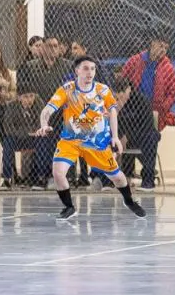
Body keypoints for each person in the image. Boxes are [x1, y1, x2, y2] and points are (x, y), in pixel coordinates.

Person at [36, 56, 146, 220]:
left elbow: (113, 111)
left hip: (97, 142)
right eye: (86, 68)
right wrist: (44, 124)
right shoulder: (67, 90)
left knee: (117, 177)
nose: (90, 72)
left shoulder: (103, 90)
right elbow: (47, 110)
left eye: (93, 69)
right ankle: (69, 207)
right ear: (77, 71)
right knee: (58, 172)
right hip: (70, 141)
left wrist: (115, 137)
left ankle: (129, 201)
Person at [117, 34, 175, 192]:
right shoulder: (135, 61)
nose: (162, 50)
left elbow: (173, 92)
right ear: (152, 44)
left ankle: (148, 176)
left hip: (153, 112)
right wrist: (124, 99)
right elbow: (123, 80)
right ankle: (127, 175)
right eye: (160, 46)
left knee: (150, 137)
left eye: (166, 48)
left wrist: (163, 107)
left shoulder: (168, 67)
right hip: (131, 106)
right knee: (127, 134)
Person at [0, 87, 50, 189]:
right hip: (18, 138)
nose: (29, 100)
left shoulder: (39, 105)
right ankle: (7, 179)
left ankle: (41, 178)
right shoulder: (12, 106)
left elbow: (42, 123)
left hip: (34, 138)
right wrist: (26, 133)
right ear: (19, 98)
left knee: (42, 142)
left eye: (31, 96)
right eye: (26, 97)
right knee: (7, 143)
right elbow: (8, 126)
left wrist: (34, 132)